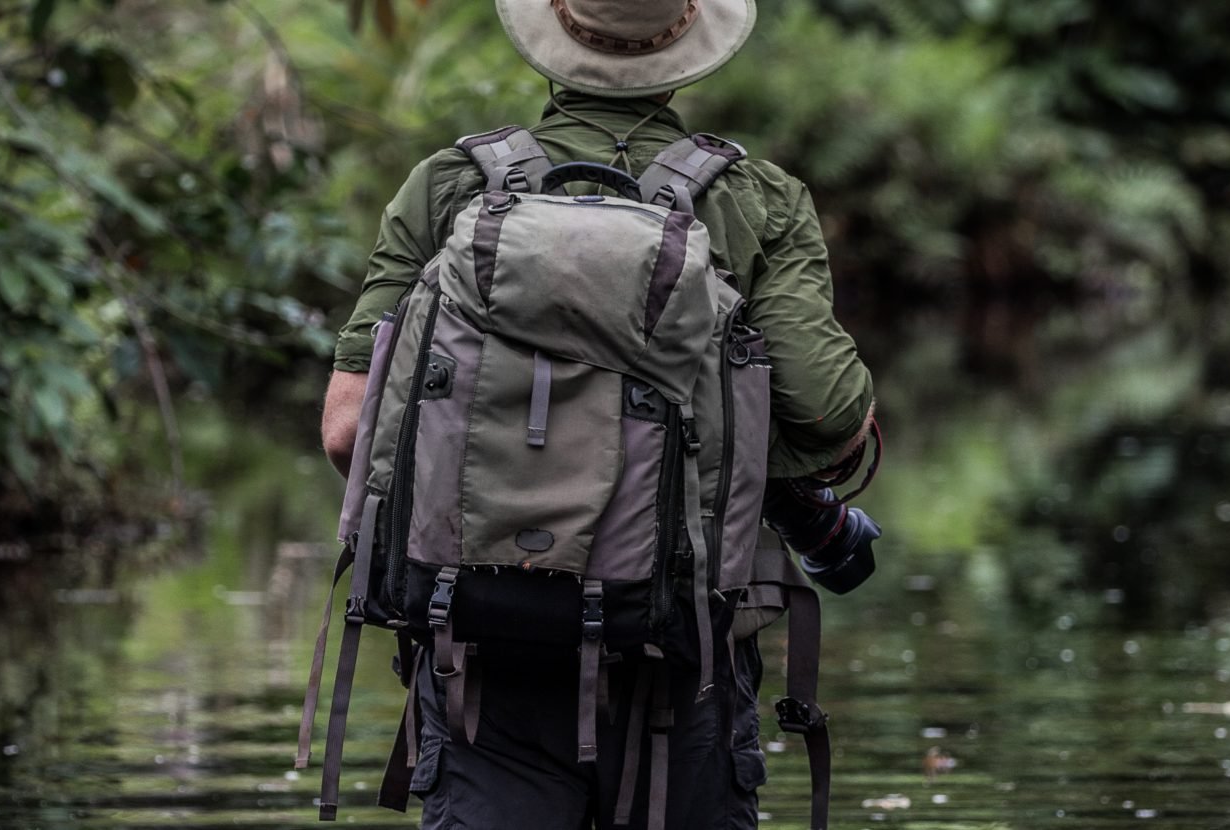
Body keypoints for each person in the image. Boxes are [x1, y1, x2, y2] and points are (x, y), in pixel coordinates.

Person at [319, 0, 874, 826]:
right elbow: (828, 420)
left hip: (479, 655)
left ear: (551, 38)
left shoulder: (449, 187)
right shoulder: (758, 201)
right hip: (685, 658)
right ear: (687, 49)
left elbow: (347, 430)